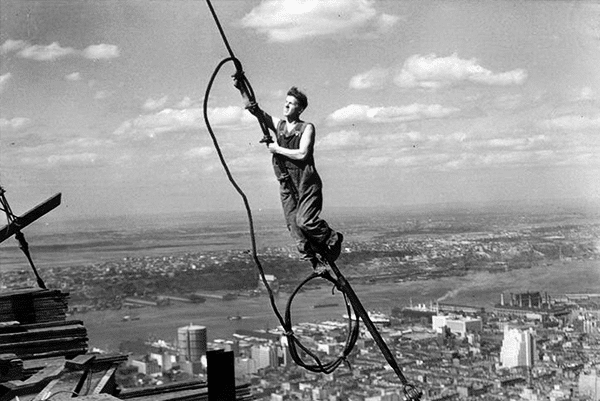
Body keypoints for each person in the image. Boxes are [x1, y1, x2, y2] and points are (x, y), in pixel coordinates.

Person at [234, 77, 343, 270]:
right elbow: (256, 112)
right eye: (286, 102)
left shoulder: (306, 128)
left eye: (291, 104)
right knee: (294, 226)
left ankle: (331, 237)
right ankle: (314, 261)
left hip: (306, 182)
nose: (286, 106)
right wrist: (242, 88)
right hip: (286, 182)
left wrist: (277, 149)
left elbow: (303, 153)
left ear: (300, 109)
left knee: (305, 221)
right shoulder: (280, 126)